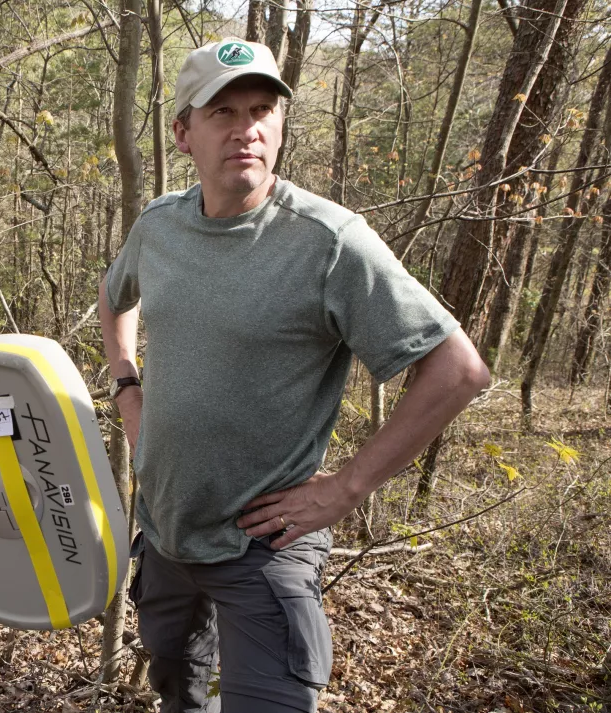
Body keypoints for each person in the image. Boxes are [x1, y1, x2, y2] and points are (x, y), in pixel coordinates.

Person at [98, 38, 490, 713]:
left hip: (262, 549)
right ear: (183, 133)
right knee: (179, 693)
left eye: (261, 110)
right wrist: (126, 385)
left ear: (279, 124)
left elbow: (458, 370)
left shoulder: (329, 242)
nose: (246, 128)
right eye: (222, 112)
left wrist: (348, 486)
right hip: (164, 532)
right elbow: (115, 298)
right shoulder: (159, 226)